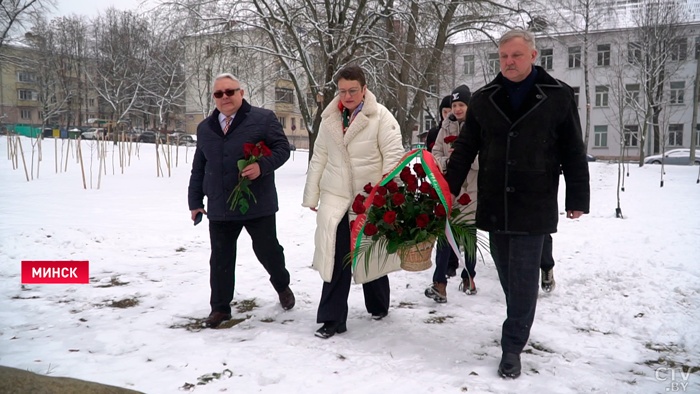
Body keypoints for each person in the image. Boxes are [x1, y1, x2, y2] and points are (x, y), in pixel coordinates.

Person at [445, 29, 590, 379]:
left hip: (535, 199)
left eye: (516, 55)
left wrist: (577, 197)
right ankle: (520, 317)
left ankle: (512, 348)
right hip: (495, 200)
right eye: (503, 57)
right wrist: (448, 188)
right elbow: (466, 147)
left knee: (524, 277)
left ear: (533, 56)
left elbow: (573, 148)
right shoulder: (484, 98)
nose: (509, 62)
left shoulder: (558, 96)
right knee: (510, 274)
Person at [302, 65, 405, 339]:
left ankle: (378, 304)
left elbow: (393, 156)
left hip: (369, 199)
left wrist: (384, 194)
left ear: (364, 89)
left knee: (371, 255)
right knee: (337, 258)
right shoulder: (330, 120)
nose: (347, 96)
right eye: (342, 91)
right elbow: (319, 158)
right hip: (336, 200)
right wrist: (312, 194)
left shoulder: (381, 117)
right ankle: (332, 319)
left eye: (353, 90)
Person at [188, 73, 295, 329]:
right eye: (219, 94)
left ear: (241, 92)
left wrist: (262, 165)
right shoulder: (205, 128)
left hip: (257, 203)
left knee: (268, 251)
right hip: (220, 205)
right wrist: (195, 201)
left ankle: (282, 285)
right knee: (221, 258)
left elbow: (283, 149)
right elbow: (199, 167)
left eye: (230, 91)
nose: (225, 97)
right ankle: (220, 309)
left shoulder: (263, 119)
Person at [425, 85, 479, 303]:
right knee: (444, 236)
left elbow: (484, 157)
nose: (457, 109)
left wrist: (465, 158)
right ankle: (440, 283)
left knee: (468, 236)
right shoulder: (445, 127)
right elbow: (435, 154)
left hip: (471, 189)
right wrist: (449, 161)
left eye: (461, 105)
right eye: (454, 105)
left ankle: (469, 277)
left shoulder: (478, 127)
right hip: (448, 189)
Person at [426, 95, 460, 277]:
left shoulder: (466, 128)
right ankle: (443, 272)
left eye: (452, 109)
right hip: (441, 182)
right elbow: (432, 155)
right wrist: (443, 163)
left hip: (463, 186)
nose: (449, 113)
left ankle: (458, 266)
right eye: (445, 111)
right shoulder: (436, 132)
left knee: (461, 228)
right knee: (444, 228)